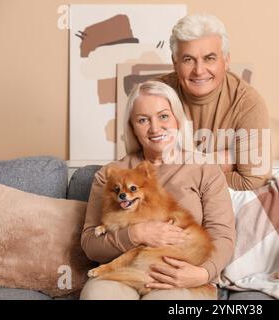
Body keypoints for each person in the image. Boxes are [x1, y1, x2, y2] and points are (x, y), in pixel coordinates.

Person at [80, 81, 235, 300]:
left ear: (177, 120)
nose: (154, 128)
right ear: (132, 127)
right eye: (143, 120)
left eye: (163, 116)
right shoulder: (111, 176)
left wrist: (202, 273)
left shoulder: (205, 169)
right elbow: (90, 244)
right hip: (119, 274)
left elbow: (223, 236)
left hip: (183, 275)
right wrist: (135, 234)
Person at [156, 13, 272, 191]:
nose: (199, 70)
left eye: (210, 58)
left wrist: (179, 166)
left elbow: (254, 180)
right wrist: (226, 160)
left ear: (226, 61)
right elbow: (144, 169)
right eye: (188, 60)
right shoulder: (156, 95)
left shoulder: (248, 103)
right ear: (174, 62)